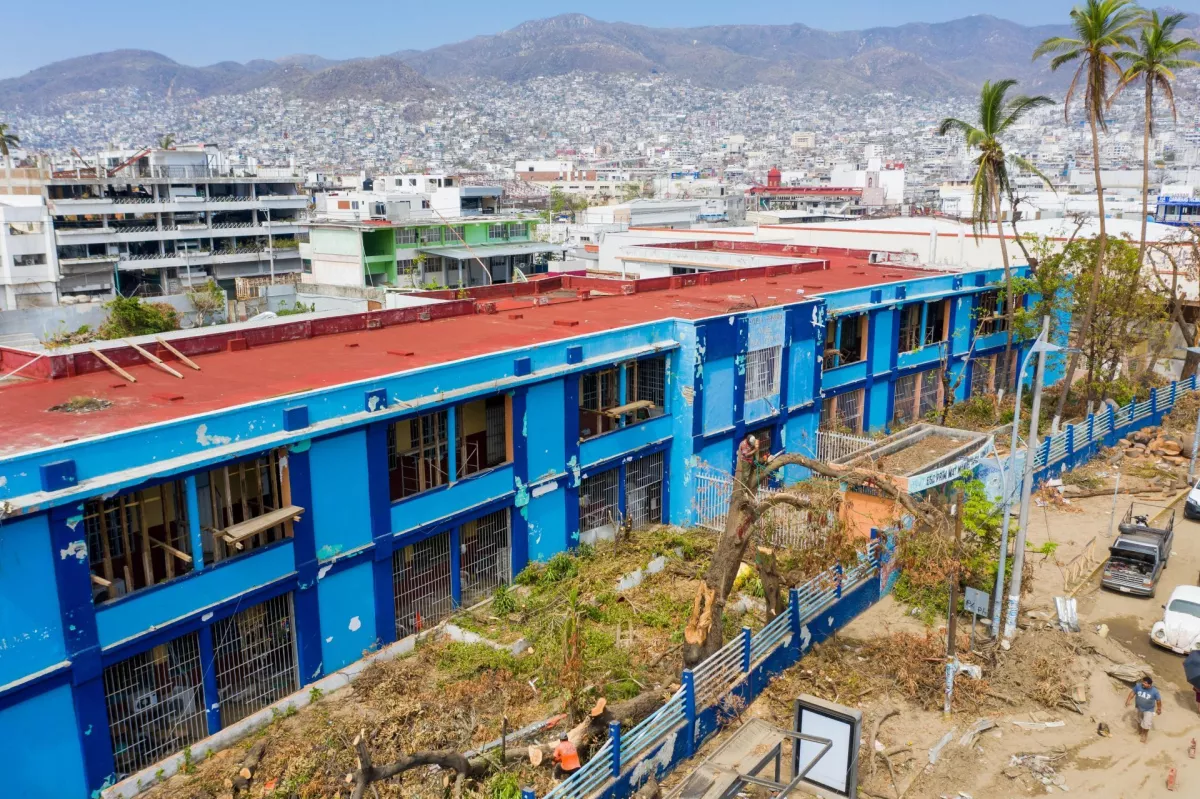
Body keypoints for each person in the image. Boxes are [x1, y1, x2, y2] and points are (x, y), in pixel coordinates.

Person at [1125, 676, 1163, 743]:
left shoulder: (1154, 691)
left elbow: (1158, 700)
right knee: (1138, 720)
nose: (1143, 684)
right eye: (1143, 682)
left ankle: (1144, 735)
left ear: (1149, 685)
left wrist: (1159, 709)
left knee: (1146, 724)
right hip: (1138, 707)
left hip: (1148, 710)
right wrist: (1128, 700)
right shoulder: (1138, 686)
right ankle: (1139, 731)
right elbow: (1132, 693)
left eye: (1145, 683)